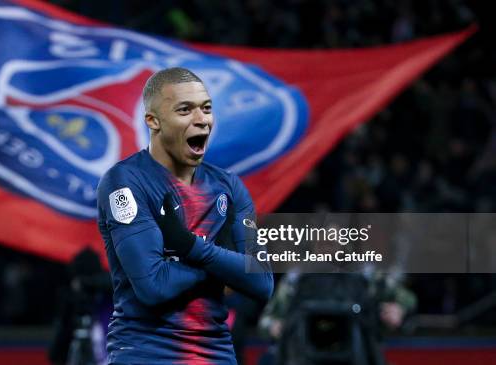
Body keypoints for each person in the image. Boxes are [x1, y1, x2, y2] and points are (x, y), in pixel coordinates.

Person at [96, 67, 273, 364]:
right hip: (145, 354)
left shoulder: (228, 187)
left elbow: (262, 283)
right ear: (153, 121)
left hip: (216, 356)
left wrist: (190, 247)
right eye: (185, 110)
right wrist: (223, 263)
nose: (201, 119)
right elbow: (154, 286)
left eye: (206, 108)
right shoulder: (126, 182)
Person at [258, 270, 417, 365]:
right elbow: (266, 321)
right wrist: (277, 327)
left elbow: (408, 299)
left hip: (356, 356)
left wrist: (399, 310)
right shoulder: (296, 279)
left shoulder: (367, 276)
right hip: (305, 356)